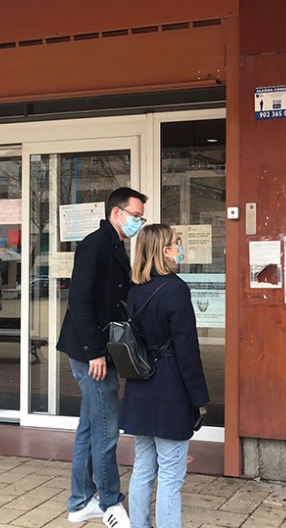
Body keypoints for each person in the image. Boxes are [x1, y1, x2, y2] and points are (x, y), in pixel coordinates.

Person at [57, 187, 147, 527]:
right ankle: (110, 503)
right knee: (107, 430)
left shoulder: (115, 246)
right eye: (136, 215)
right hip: (91, 354)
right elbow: (79, 302)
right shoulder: (96, 244)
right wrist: (94, 352)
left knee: (90, 427)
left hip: (98, 351)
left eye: (142, 217)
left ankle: (80, 502)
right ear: (116, 213)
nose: (139, 221)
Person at [120, 224, 209, 528]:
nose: (178, 248)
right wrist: (200, 399)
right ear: (162, 251)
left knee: (144, 466)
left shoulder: (134, 291)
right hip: (170, 388)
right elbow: (188, 351)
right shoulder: (176, 289)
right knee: (171, 474)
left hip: (140, 386)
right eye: (175, 243)